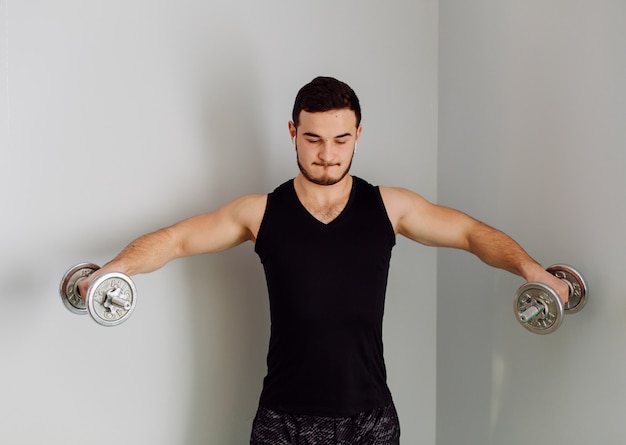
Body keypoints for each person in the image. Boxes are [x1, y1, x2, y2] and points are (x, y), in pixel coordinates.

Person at [78, 76, 569, 445]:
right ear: (293, 131)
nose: (328, 155)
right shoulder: (260, 212)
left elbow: (468, 232)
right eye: (313, 139)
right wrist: (111, 272)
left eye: (340, 140)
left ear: (358, 134)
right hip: (282, 420)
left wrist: (532, 272)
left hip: (370, 419)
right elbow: (177, 240)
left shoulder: (389, 207)